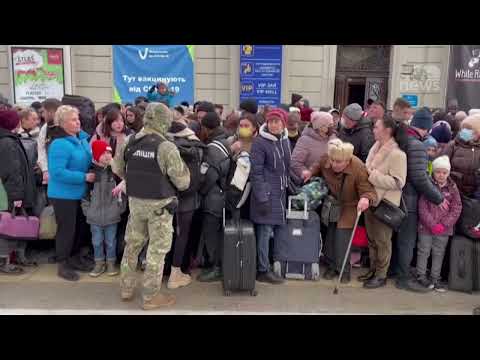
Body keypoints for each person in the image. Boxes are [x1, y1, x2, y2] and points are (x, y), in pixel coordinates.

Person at [112, 102, 190, 310]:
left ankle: (126, 289)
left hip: (136, 204)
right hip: (160, 207)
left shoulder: (130, 141)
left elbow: (118, 168)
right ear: (165, 121)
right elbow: (183, 182)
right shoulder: (166, 146)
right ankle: (150, 297)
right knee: (156, 251)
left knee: (132, 247)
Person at [305, 138, 377, 283]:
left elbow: (367, 189)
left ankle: (344, 270)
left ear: (347, 160)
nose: (335, 165)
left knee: (342, 238)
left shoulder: (358, 167)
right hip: (332, 203)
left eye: (339, 162)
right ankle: (332, 266)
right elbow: (317, 166)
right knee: (330, 237)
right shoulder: (327, 159)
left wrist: (365, 198)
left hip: (349, 205)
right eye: (333, 161)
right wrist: (310, 172)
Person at [390, 107, 444, 292]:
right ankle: (403, 279)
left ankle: (393, 271)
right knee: (407, 241)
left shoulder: (400, 139)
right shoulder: (418, 145)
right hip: (410, 200)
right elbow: (419, 178)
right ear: (426, 128)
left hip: (394, 197)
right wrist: (438, 197)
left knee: (396, 238)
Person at [359, 116, 408, 289]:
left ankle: (381, 275)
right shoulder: (375, 148)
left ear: (387, 130)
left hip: (385, 203)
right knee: (372, 240)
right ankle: (373, 270)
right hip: (371, 200)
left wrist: (373, 175)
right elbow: (367, 168)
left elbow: (398, 182)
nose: (373, 129)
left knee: (383, 242)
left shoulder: (397, 154)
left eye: (376, 127)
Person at [47, 105, 94, 281]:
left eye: (78, 118)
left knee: (79, 230)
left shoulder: (81, 140)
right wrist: (84, 177)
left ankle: (74, 258)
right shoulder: (59, 144)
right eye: (73, 120)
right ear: (63, 123)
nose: (78, 122)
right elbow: (57, 172)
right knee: (67, 230)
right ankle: (63, 263)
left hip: (78, 193)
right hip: (62, 195)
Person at [250, 108, 291, 284]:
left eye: (277, 121)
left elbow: (287, 167)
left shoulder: (284, 140)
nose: (274, 125)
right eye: (271, 121)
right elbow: (256, 173)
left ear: (283, 124)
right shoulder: (260, 142)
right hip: (267, 193)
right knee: (265, 231)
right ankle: (262, 270)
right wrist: (262, 197)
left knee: (275, 231)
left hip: (280, 193)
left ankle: (273, 265)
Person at [165, 120, 205, 288]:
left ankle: (165, 270)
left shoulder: (165, 147)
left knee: (165, 235)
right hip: (189, 199)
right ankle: (177, 272)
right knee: (183, 236)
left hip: (166, 198)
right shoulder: (196, 147)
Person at [416, 155, 462, 292]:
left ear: (448, 173)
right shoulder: (428, 187)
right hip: (426, 228)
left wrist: (444, 225)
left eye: (444, 172)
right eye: (438, 172)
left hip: (444, 230)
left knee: (439, 252)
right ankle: (421, 275)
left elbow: (456, 208)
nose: (441, 175)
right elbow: (422, 208)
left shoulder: (453, 188)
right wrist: (432, 224)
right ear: (433, 172)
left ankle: (435, 277)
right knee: (423, 251)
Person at [81, 140, 126, 278]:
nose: (107, 155)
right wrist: (88, 211)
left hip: (112, 215)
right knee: (96, 241)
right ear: (96, 154)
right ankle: (99, 263)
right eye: (104, 153)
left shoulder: (115, 173)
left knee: (111, 241)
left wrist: (119, 208)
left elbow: (123, 191)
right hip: (94, 216)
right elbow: (85, 196)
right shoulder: (91, 173)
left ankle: (111, 263)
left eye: (109, 152)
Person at [196, 112, 231, 282]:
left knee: (211, 233)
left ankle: (216, 268)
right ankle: (216, 264)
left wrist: (200, 191)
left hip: (214, 197)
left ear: (206, 128)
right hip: (224, 195)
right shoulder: (226, 140)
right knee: (217, 232)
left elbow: (208, 176)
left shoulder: (212, 148)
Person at [0, 110, 37, 274]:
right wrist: (16, 197)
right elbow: (12, 172)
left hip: (14, 192)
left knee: (15, 225)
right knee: (8, 226)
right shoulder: (8, 142)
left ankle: (17, 257)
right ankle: (5, 261)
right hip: (12, 194)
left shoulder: (8, 139)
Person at [441, 114, 480, 197]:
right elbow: (441, 165)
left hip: (475, 194)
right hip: (454, 191)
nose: (465, 132)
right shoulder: (453, 145)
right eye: (464, 128)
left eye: (469, 129)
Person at [291, 111, 336, 180]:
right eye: (329, 125)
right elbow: (295, 162)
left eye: (332, 124)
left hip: (331, 181)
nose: (332, 127)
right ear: (320, 127)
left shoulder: (333, 137)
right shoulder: (305, 140)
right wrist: (305, 173)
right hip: (313, 182)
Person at [37, 98, 62, 185]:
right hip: (50, 174)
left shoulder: (67, 125)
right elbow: (41, 149)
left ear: (51, 112)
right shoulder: (45, 128)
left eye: (43, 112)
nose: (42, 115)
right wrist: (45, 170)